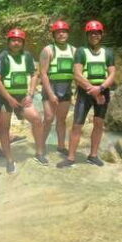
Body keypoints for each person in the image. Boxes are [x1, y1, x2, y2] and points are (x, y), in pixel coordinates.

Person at [57, 21, 116, 168]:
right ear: (87, 35)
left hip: (103, 92)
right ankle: (71, 158)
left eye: (97, 33)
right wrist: (92, 89)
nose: (94, 35)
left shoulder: (108, 52)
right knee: (77, 125)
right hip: (85, 93)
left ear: (101, 34)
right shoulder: (81, 51)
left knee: (98, 124)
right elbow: (77, 74)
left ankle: (93, 155)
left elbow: (112, 75)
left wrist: (100, 88)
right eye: (91, 33)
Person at [0, 28, 46, 173]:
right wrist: (9, 98)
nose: (16, 43)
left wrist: (31, 94)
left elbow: (35, 74)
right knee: (4, 128)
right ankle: (9, 160)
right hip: (4, 98)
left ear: (23, 43)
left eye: (19, 41)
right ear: (8, 42)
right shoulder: (0, 57)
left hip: (22, 96)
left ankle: (39, 153)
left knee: (37, 120)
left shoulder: (27, 56)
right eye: (13, 40)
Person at [39, 20, 76, 157]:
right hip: (51, 87)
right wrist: (50, 93)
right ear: (54, 35)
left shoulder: (74, 50)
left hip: (66, 88)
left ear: (67, 33)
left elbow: (77, 72)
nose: (61, 34)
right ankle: (41, 146)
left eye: (64, 31)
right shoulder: (48, 50)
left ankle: (61, 146)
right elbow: (43, 73)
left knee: (62, 119)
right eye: (58, 32)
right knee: (48, 118)